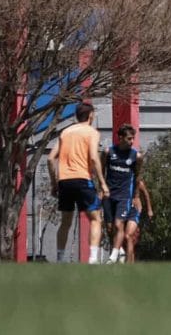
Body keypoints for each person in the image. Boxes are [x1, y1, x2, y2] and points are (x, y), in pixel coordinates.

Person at [48, 103, 109, 264]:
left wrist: (55, 184)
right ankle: (93, 259)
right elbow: (94, 158)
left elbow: (50, 158)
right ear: (90, 115)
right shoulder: (92, 132)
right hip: (83, 179)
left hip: (64, 182)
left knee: (65, 222)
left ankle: (60, 259)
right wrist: (102, 183)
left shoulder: (65, 132)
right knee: (95, 219)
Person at [101, 124, 143, 264]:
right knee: (109, 228)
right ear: (120, 138)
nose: (132, 141)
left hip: (124, 195)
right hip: (108, 195)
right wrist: (101, 188)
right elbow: (101, 172)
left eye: (133, 139)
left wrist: (136, 196)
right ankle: (120, 251)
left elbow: (138, 177)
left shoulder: (136, 156)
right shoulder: (108, 152)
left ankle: (113, 257)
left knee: (119, 224)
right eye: (129, 138)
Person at [123, 177, 154, 263]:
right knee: (126, 240)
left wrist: (149, 209)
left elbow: (146, 195)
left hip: (135, 211)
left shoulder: (138, 182)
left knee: (131, 237)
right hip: (124, 210)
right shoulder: (123, 179)